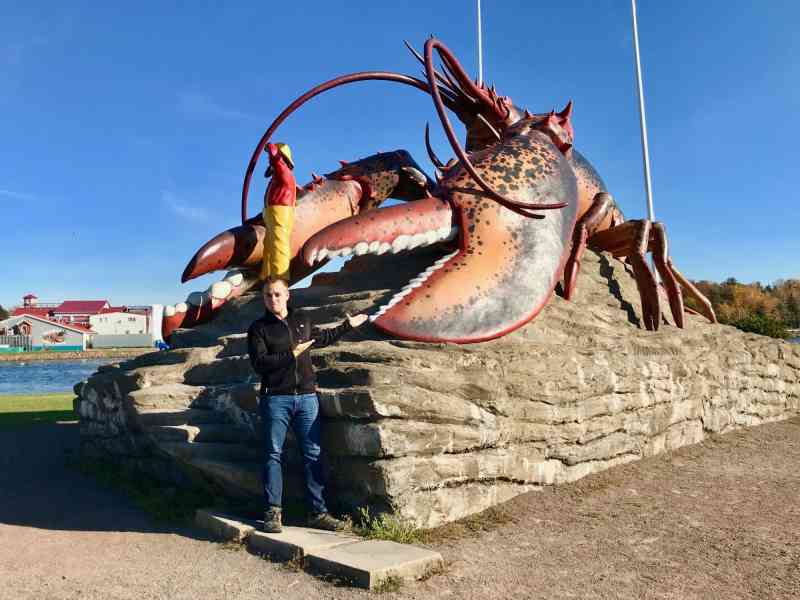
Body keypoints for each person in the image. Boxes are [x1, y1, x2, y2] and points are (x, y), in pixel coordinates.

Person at [247, 277, 368, 532]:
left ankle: (318, 512)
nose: (273, 299)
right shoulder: (258, 328)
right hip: (276, 398)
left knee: (312, 453)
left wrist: (348, 325)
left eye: (278, 294)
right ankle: (273, 512)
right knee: (272, 453)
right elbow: (260, 363)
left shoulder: (302, 318)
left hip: (306, 397)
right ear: (264, 299)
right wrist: (290, 354)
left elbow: (322, 339)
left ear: (287, 295)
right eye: (268, 296)